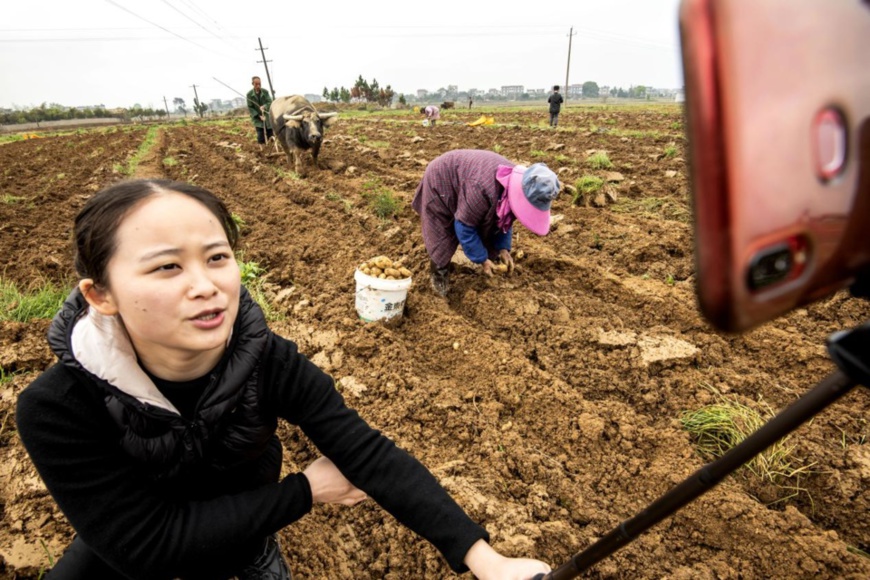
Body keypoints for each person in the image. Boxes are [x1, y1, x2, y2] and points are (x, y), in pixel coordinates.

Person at [15, 178, 552, 580]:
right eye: (166, 267)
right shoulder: (58, 405)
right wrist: (306, 490)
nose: (206, 286)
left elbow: (367, 452)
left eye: (217, 257)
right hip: (126, 563)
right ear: (100, 295)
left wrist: (485, 559)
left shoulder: (266, 359)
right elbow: (146, 543)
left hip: (244, 548)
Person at [411, 150, 560, 296]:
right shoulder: (482, 188)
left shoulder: (515, 186)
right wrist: (481, 259)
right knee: (442, 234)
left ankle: (490, 258)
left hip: (469, 183)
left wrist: (503, 249)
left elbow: (504, 218)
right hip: (442, 181)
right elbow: (464, 226)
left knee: (487, 223)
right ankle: (439, 276)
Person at [247, 76, 273, 146]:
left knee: (270, 134)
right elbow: (250, 108)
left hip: (267, 116)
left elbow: (270, 102)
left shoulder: (265, 92)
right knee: (260, 135)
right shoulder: (249, 95)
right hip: (257, 118)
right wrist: (259, 116)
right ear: (253, 84)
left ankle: (271, 147)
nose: (258, 86)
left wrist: (264, 106)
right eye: (256, 84)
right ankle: (263, 149)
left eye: (259, 84)